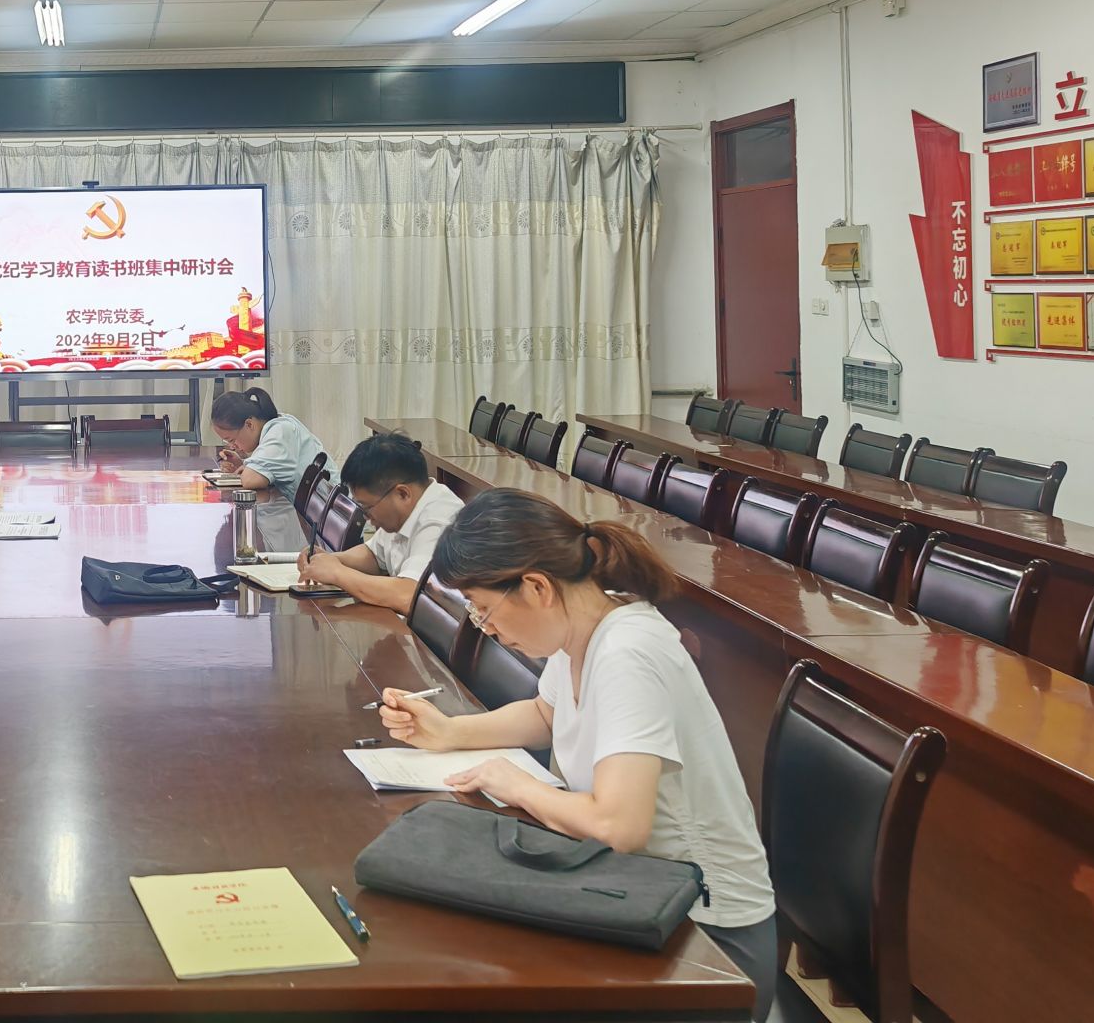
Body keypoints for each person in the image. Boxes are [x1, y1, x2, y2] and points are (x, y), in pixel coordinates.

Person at [379, 489, 778, 1020]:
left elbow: (619, 826)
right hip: (632, 892)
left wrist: (518, 785)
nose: (485, 627)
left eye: (483, 609)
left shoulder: (627, 652)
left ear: (536, 587)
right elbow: (547, 715)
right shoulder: (585, 628)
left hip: (706, 938)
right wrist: (450, 731)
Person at [296, 431, 461, 613]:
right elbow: (374, 555)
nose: (366, 517)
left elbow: (409, 597)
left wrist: (337, 573)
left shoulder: (439, 521)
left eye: (367, 508)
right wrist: (330, 560)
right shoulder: (402, 512)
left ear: (402, 494)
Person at [210, 386, 327, 501]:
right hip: (317, 506)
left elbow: (250, 480)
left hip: (329, 509)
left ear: (249, 424)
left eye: (231, 440)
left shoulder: (279, 432)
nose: (232, 446)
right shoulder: (276, 426)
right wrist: (242, 464)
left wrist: (249, 469)